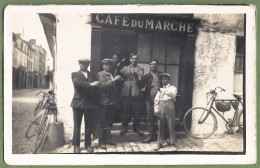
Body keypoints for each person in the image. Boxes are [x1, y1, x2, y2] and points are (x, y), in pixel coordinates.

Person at [70, 57, 99, 153]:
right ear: (79, 64)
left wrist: (95, 86)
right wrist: (91, 85)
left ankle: (88, 145)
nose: (84, 65)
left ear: (88, 65)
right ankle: (76, 146)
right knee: (77, 125)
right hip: (78, 103)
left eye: (86, 63)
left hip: (89, 104)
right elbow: (77, 84)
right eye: (82, 63)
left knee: (89, 125)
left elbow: (95, 88)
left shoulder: (92, 75)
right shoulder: (75, 74)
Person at [97, 58, 122, 148]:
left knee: (109, 121)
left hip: (112, 101)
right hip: (104, 101)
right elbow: (102, 85)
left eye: (110, 65)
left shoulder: (112, 74)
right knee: (102, 121)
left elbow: (114, 87)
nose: (108, 66)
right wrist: (114, 80)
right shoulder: (101, 74)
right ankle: (101, 140)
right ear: (103, 66)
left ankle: (107, 138)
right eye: (106, 64)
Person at [120, 53, 144, 136]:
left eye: (135, 58)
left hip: (135, 92)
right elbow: (120, 75)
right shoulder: (125, 68)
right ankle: (124, 127)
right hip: (126, 92)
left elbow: (141, 79)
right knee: (125, 110)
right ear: (130, 59)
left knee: (136, 111)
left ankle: (136, 127)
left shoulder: (140, 68)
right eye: (132, 58)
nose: (134, 60)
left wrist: (138, 75)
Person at [153, 73, 177, 151]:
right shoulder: (159, 90)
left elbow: (173, 95)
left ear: (168, 80)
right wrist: (156, 109)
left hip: (170, 107)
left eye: (165, 79)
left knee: (171, 126)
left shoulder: (172, 88)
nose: (164, 80)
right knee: (161, 126)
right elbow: (156, 100)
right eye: (162, 79)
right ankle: (159, 143)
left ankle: (172, 143)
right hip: (161, 107)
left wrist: (163, 90)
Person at [142, 58, 162, 143]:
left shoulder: (161, 75)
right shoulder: (146, 76)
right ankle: (151, 136)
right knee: (150, 117)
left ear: (157, 65)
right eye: (151, 64)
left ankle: (161, 136)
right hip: (149, 97)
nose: (153, 65)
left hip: (160, 97)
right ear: (149, 65)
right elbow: (142, 85)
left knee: (160, 116)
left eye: (154, 64)